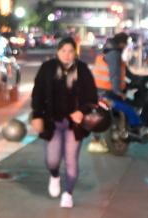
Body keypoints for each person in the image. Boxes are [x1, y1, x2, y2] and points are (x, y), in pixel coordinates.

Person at [31, 35, 98, 208]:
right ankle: (54, 176)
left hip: (73, 125)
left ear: (75, 53)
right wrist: (37, 115)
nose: (67, 55)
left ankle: (68, 193)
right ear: (58, 52)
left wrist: (82, 111)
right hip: (52, 122)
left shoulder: (82, 70)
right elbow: (37, 93)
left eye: (71, 51)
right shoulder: (47, 68)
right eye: (64, 51)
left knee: (71, 160)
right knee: (51, 160)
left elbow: (92, 97)